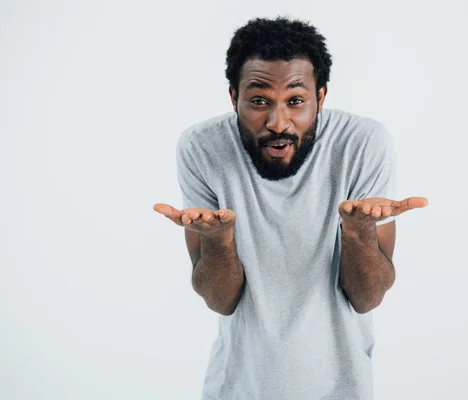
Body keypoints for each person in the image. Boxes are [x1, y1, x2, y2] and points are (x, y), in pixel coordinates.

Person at [154, 16, 428, 400]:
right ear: (234, 97)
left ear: (321, 96)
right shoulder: (203, 147)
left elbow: (368, 298)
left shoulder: (362, 144)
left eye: (296, 101)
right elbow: (221, 300)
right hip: (237, 389)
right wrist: (217, 240)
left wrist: (358, 231)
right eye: (259, 101)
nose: (278, 122)